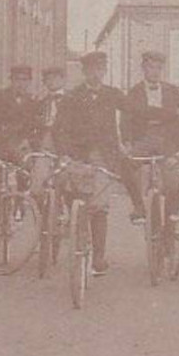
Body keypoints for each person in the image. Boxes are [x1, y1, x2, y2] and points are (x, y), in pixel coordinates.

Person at [55, 50, 134, 275]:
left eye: (100, 70)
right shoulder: (72, 96)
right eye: (91, 70)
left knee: (98, 206)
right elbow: (59, 128)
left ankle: (98, 257)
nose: (96, 74)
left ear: (105, 71)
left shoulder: (113, 95)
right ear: (84, 72)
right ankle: (77, 244)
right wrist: (64, 154)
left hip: (104, 156)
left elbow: (134, 112)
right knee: (75, 199)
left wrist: (127, 139)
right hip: (76, 155)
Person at [0, 64, 38, 256]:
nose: (20, 84)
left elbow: (35, 130)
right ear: (11, 80)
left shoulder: (33, 102)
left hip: (19, 153)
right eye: (17, 79)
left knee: (27, 174)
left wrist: (29, 144)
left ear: (29, 82)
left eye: (24, 80)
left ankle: (20, 202)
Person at [122, 50, 179, 228]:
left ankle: (173, 210)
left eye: (159, 68)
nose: (155, 72)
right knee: (125, 165)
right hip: (143, 139)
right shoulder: (134, 92)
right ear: (143, 68)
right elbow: (126, 118)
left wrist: (178, 140)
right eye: (151, 67)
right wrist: (127, 142)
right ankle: (139, 207)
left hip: (167, 139)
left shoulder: (172, 90)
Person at [30, 65, 69, 192]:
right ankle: (41, 208)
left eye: (55, 78)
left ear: (63, 80)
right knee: (38, 182)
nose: (51, 81)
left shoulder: (73, 101)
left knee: (66, 182)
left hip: (66, 147)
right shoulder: (40, 102)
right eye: (48, 79)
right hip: (45, 146)